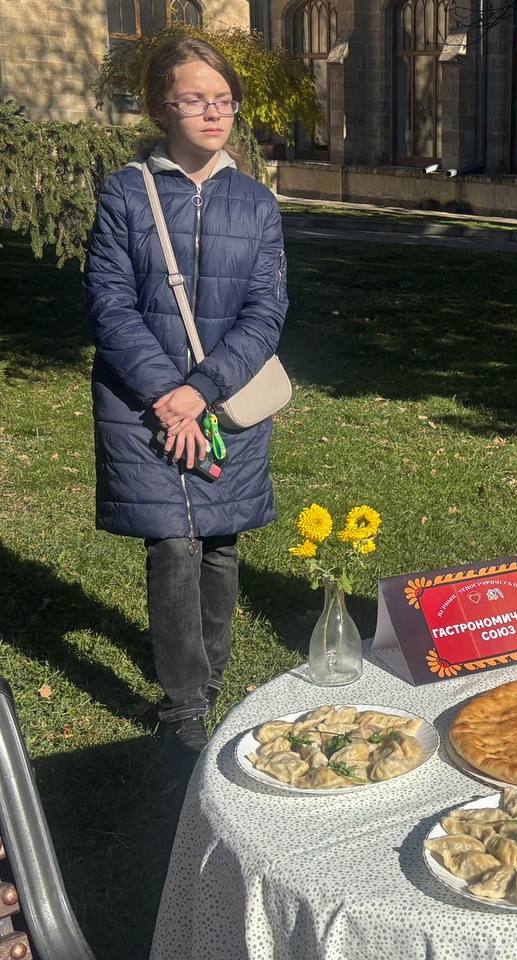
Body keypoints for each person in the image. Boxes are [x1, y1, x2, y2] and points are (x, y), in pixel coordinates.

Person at [84, 37, 286, 772]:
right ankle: (183, 704)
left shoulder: (256, 202)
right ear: (161, 106)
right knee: (173, 543)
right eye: (196, 98)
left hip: (225, 398)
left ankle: (213, 677)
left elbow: (266, 310)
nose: (213, 112)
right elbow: (109, 304)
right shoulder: (125, 194)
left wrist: (201, 391)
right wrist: (168, 397)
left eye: (224, 99)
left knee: (221, 539)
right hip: (143, 401)